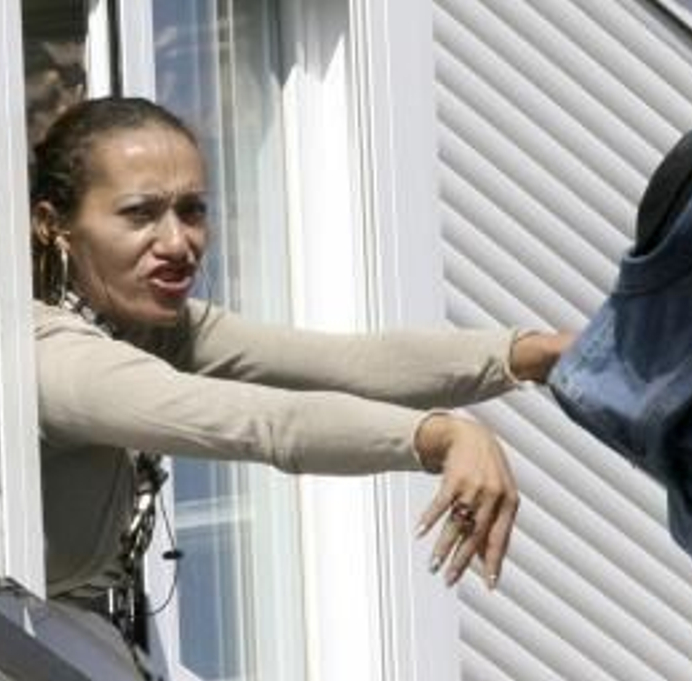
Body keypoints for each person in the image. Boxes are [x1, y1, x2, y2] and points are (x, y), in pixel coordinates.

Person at [28, 96, 573, 628]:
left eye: (192, 211)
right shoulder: (54, 356)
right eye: (140, 214)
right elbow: (270, 424)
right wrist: (445, 437)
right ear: (53, 224)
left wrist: (537, 354)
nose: (178, 242)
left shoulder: (153, 328)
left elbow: (355, 363)